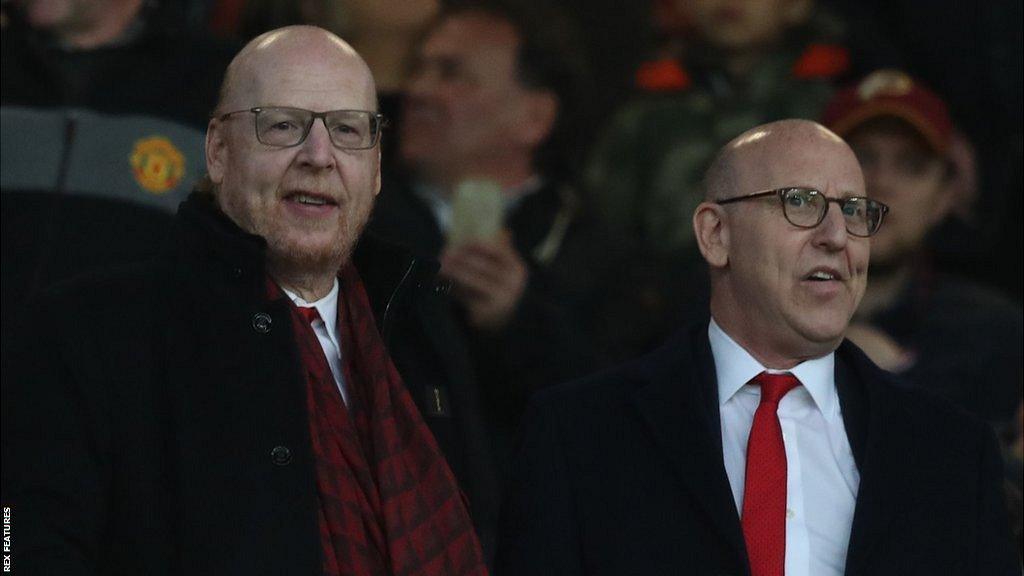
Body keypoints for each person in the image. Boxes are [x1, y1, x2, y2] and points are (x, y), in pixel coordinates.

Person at [1, 26, 488, 575]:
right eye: (283, 125)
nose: (319, 156)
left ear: (375, 170)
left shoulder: (420, 337)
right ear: (217, 151)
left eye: (348, 130)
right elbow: (15, 544)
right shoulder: (86, 333)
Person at [496, 119, 1018, 576]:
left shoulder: (951, 453)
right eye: (800, 203)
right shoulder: (579, 434)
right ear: (715, 234)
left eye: (855, 211)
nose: (837, 235)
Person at [370, 2, 621, 474]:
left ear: (534, 117)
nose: (418, 90)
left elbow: (619, 426)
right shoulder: (357, 224)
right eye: (417, 69)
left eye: (452, 73)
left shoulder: (595, 255)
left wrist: (520, 321)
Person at [821, 69, 1022, 427]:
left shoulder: (992, 333)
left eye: (911, 166)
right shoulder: (739, 314)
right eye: (861, 158)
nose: (880, 183)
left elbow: (998, 477)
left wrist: (898, 384)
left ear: (945, 197)